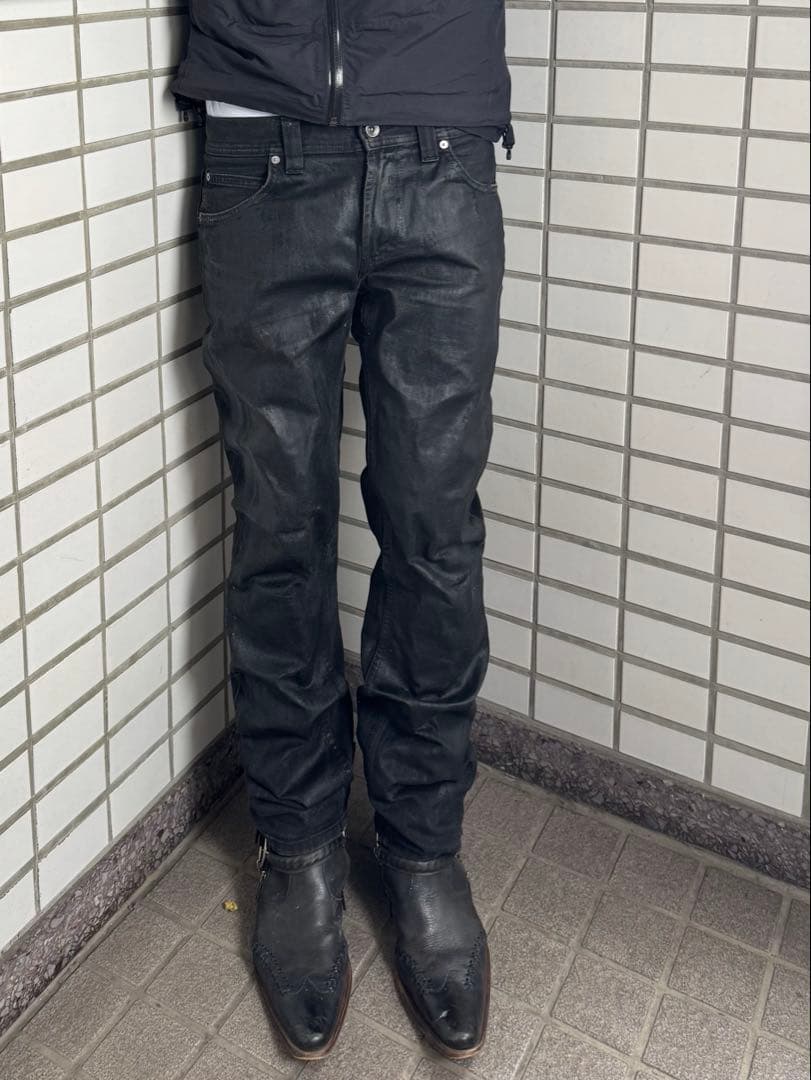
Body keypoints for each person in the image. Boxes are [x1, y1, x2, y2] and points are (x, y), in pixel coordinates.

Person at [171, 1, 514, 1062]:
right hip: (261, 143)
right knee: (278, 529)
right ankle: (299, 847)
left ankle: (423, 848)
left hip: (442, 144)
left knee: (433, 531)